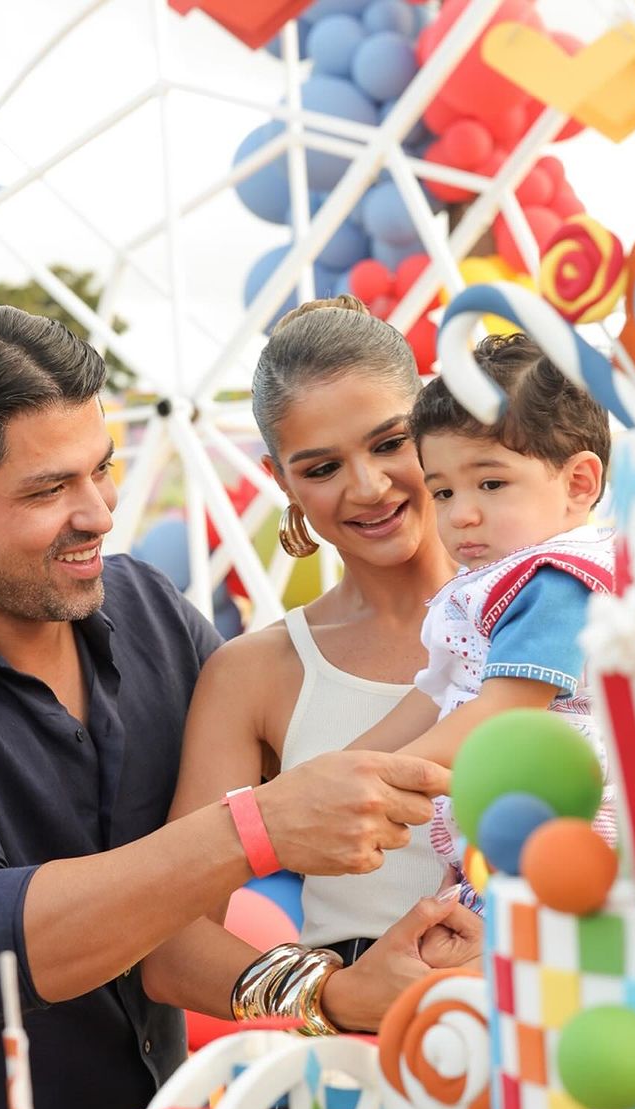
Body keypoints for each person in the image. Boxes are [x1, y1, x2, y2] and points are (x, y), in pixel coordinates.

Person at [0, 301, 476, 1109]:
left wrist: (332, 989)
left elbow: (172, 940)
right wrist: (257, 832)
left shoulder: (148, 613)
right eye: (48, 489)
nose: (98, 511)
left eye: (102, 469)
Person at [141, 295, 480, 1012]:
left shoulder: (569, 608)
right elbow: (170, 944)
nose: (368, 487)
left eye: (390, 443)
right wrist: (336, 995)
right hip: (362, 1078)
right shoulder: (254, 675)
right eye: (322, 468)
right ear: (281, 480)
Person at [352, 332, 617, 907]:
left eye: (491, 484)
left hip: (567, 838)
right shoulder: (500, 579)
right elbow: (435, 694)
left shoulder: (556, 581)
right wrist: (343, 769)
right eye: (442, 492)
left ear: (578, 483)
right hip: (506, 844)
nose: (462, 515)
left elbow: (504, 707)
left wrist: (381, 777)